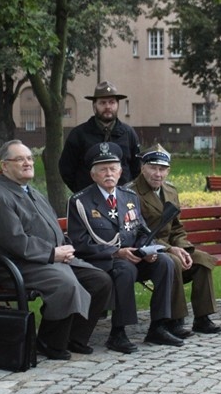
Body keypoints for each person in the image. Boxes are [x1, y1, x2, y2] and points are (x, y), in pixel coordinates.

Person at [0, 140, 111, 359]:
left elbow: (51, 228)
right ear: (4, 166)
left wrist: (64, 248)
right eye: (20, 159)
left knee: (100, 280)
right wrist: (53, 254)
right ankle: (50, 342)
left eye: (29, 158)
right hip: (21, 265)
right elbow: (15, 240)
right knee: (66, 284)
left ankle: (74, 338)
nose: (27, 163)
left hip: (49, 259)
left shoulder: (32, 192)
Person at [67, 142, 181, 353]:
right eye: (103, 169)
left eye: (113, 169)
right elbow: (79, 243)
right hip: (101, 261)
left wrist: (147, 250)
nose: (108, 173)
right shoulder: (80, 201)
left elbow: (140, 231)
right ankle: (118, 332)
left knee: (165, 262)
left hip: (132, 256)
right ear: (93, 175)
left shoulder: (129, 197)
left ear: (120, 172)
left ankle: (158, 325)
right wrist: (116, 252)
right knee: (125, 268)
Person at [128, 144, 221, 334]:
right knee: (172, 261)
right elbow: (136, 233)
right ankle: (175, 320)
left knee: (202, 259)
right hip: (145, 252)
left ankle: (203, 318)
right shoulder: (130, 192)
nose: (158, 174)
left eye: (162, 169)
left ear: (168, 170)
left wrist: (183, 247)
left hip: (171, 248)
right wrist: (171, 249)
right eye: (153, 168)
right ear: (142, 167)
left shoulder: (170, 191)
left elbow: (177, 228)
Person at [59, 81, 141, 193]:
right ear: (94, 106)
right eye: (102, 103)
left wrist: (126, 193)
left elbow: (137, 168)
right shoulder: (79, 134)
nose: (107, 107)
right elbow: (66, 169)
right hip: (89, 201)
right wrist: (82, 191)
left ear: (117, 105)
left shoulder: (128, 133)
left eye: (112, 102)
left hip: (123, 201)